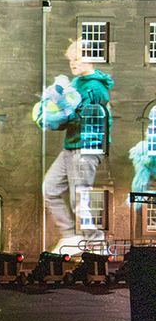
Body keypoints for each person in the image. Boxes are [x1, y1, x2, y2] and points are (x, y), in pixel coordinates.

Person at [44, 41, 114, 252]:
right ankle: (71, 237)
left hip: (86, 148)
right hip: (71, 146)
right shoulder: (76, 83)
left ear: (91, 59)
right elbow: (67, 112)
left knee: (79, 198)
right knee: (50, 189)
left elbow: (86, 116)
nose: (73, 63)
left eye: (78, 58)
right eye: (71, 59)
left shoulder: (95, 88)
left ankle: (95, 241)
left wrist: (63, 114)